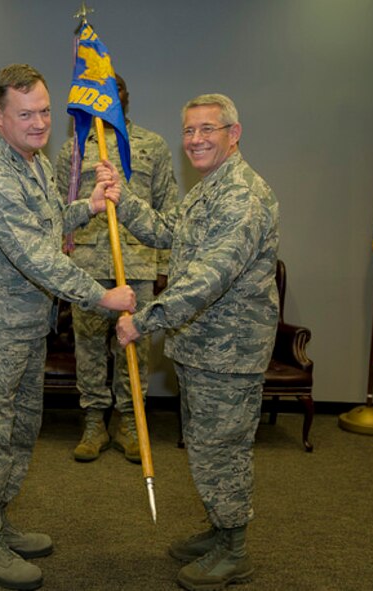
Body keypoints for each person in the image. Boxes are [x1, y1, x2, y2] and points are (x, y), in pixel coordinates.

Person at [0, 64, 136, 591]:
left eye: (45, 111)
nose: (39, 122)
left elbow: (45, 222)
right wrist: (101, 296)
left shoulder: (29, 163)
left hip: (25, 333)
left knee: (19, 434)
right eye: (25, 114)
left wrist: (88, 207)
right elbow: (37, 258)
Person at [113, 93, 279, 590]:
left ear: (235, 133)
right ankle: (219, 530)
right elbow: (170, 231)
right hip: (202, 349)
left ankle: (236, 551)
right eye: (189, 130)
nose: (196, 139)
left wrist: (144, 320)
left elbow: (207, 278)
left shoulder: (242, 197)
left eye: (208, 129)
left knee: (222, 451)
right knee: (207, 450)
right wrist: (122, 200)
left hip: (228, 354)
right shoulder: (210, 189)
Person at [55, 73, 179, 463]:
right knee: (89, 346)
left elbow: (168, 209)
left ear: (125, 97)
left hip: (138, 262)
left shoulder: (152, 146)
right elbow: (59, 212)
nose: (110, 96)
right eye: (103, 91)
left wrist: (163, 266)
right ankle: (94, 421)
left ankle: (129, 419)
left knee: (135, 345)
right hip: (88, 267)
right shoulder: (72, 151)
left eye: (118, 89)